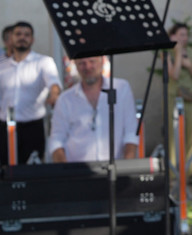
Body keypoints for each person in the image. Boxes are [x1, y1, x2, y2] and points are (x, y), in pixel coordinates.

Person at [47, 55, 138, 162]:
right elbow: (56, 140)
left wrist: (127, 169)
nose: (88, 67)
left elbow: (131, 133)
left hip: (116, 169)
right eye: (82, 63)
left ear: (102, 61)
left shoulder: (121, 88)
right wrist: (66, 172)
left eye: (92, 61)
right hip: (78, 172)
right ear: (75, 65)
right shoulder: (65, 99)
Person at [0, 21, 61, 164]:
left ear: (32, 39)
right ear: (11, 38)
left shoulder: (43, 62)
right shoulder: (2, 65)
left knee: (31, 172)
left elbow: (54, 84)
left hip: (32, 127)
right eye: (18, 34)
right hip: (4, 128)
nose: (22, 37)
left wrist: (54, 95)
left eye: (26, 35)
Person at [167, 23, 192, 174]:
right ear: (173, 36)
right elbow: (174, 75)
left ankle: (191, 170)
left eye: (186, 35)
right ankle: (174, 171)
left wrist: (189, 63)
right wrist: (178, 55)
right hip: (174, 97)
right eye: (181, 34)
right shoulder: (167, 53)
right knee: (174, 133)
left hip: (190, 96)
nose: (185, 38)